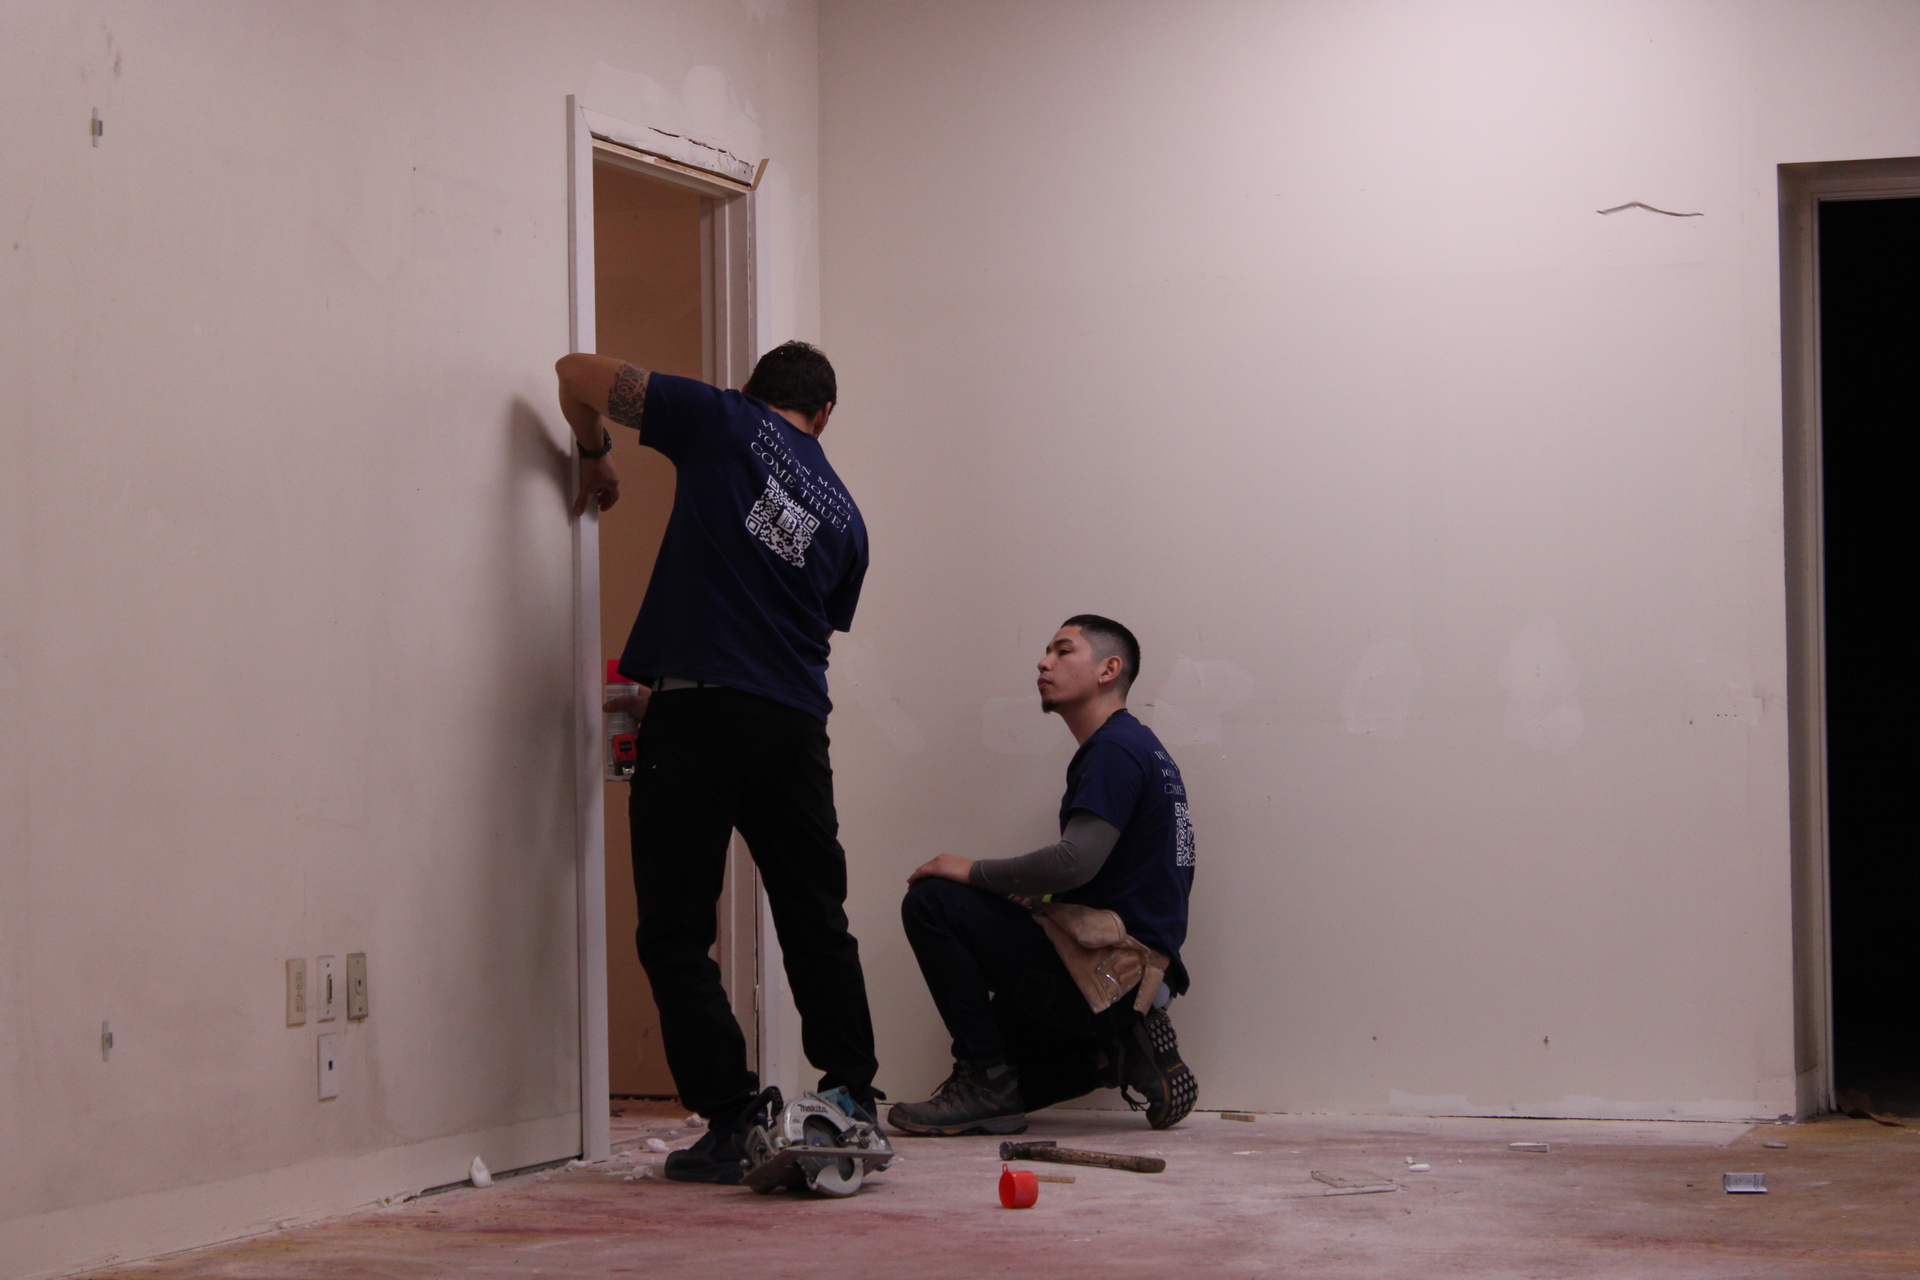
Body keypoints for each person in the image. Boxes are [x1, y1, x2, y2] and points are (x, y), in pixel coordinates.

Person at [554, 341, 879, 1183]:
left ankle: (734, 1119)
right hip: (795, 727)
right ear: (823, 417)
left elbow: (573, 372)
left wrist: (595, 453)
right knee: (816, 918)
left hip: (697, 717)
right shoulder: (847, 520)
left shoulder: (721, 418)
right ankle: (851, 1097)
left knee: (675, 931)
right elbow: (793, 621)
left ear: (749, 389)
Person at [888, 615, 1197, 1136]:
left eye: (1063, 650)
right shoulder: (1139, 746)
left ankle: (987, 1082)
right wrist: (1029, 904)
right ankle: (1114, 1053)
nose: (1043, 662)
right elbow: (1107, 878)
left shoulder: (1114, 750)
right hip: (1135, 978)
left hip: (1107, 975)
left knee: (933, 901)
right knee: (1014, 1077)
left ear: (1108, 670)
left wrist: (970, 871)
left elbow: (1074, 861)